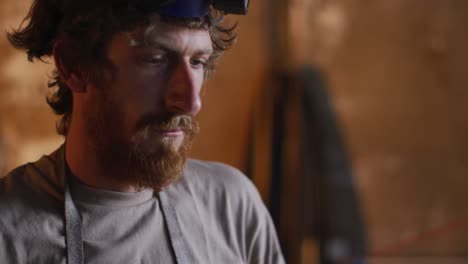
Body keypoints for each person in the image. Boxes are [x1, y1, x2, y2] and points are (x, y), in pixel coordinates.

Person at [0, 0, 285, 263]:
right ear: (75, 66)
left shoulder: (232, 207)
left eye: (197, 61)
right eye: (155, 59)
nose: (191, 102)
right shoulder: (8, 233)